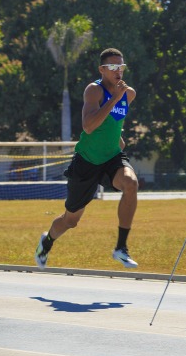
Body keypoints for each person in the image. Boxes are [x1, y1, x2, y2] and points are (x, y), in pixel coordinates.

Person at [35, 48, 139, 269]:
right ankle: (47, 241)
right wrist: (114, 100)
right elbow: (89, 126)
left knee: (131, 184)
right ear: (102, 69)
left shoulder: (129, 94)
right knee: (70, 221)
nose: (118, 71)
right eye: (112, 67)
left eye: (121, 66)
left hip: (112, 157)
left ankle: (121, 248)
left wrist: (118, 140)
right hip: (87, 162)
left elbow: (114, 124)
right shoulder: (94, 91)